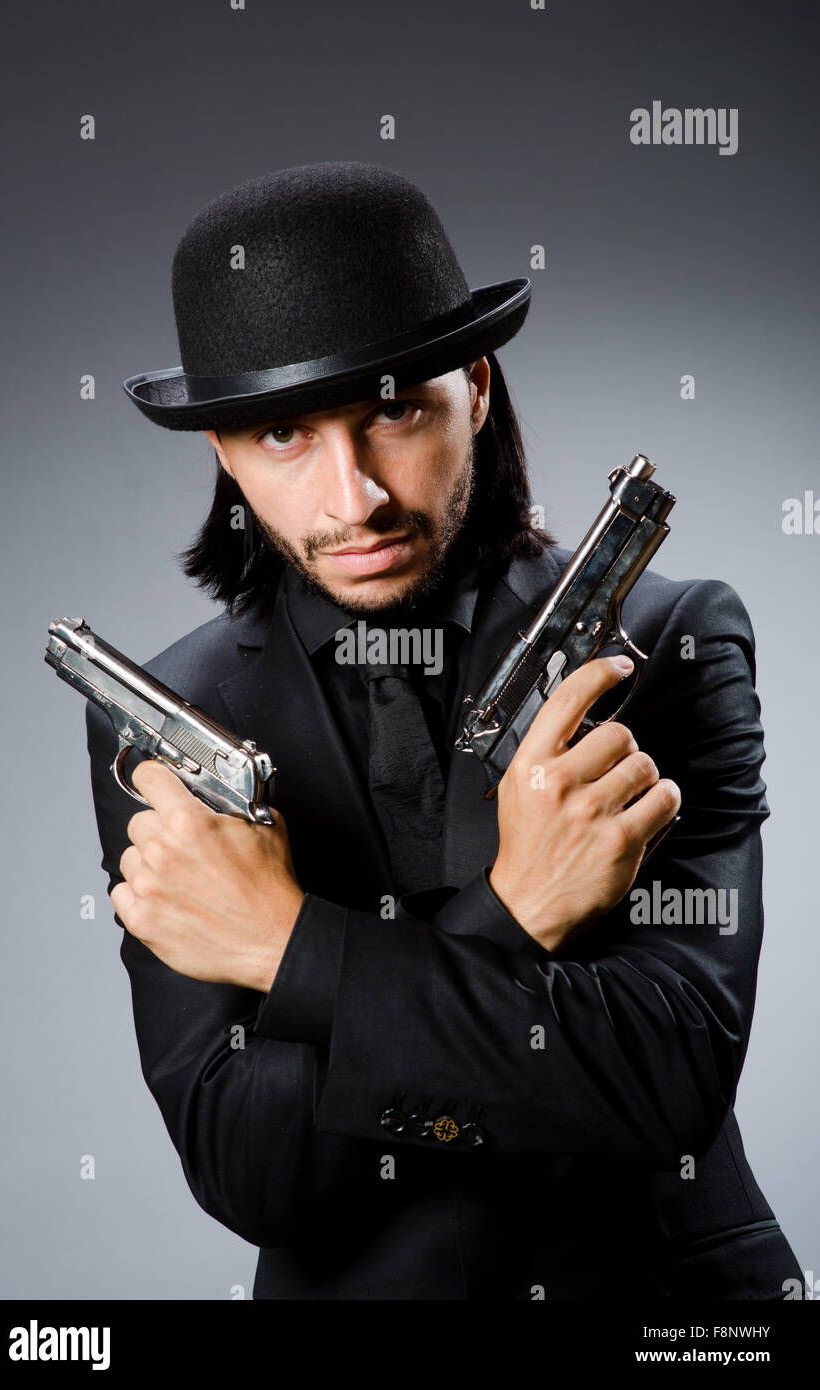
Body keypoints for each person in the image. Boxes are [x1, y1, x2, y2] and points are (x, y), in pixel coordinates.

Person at [86, 160, 802, 1299]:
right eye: (283, 435)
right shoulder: (176, 723)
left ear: (474, 385)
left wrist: (289, 950)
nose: (355, 495)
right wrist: (519, 915)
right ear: (222, 452)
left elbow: (668, 1081)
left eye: (391, 411)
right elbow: (250, 1165)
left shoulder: (669, 641)